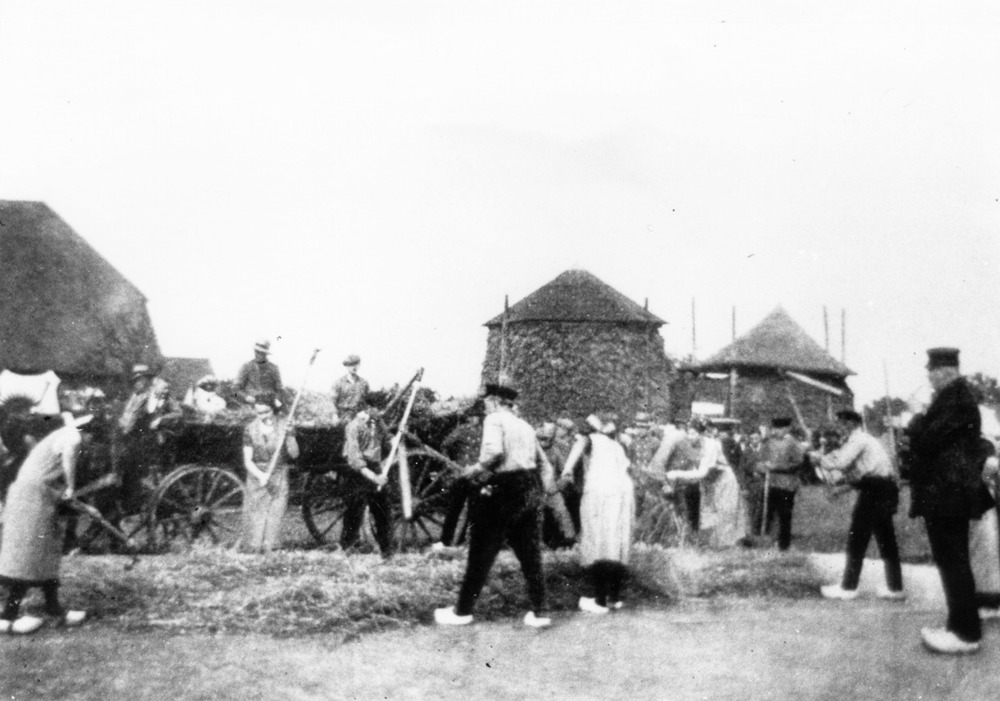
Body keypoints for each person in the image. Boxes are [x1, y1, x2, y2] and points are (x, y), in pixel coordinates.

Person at [434, 383, 556, 628]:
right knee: (530, 554)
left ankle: (462, 611)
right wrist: (540, 492)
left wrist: (475, 470)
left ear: (495, 401)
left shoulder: (494, 420)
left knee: (481, 551)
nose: (485, 407)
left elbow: (494, 453)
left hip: (503, 489)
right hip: (528, 487)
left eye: (487, 402)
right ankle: (541, 611)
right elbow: (545, 465)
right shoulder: (525, 425)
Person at [904, 347, 988, 654]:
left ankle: (965, 633)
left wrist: (916, 417)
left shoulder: (956, 400)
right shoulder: (954, 398)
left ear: (946, 371)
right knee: (952, 561)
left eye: (932, 371)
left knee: (953, 562)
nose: (929, 376)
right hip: (947, 492)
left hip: (948, 493)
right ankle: (957, 626)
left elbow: (927, 441)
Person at [0, 411, 92, 634]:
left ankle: (54, 609)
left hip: (32, 494)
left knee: (46, 555)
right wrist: (71, 487)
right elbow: (68, 458)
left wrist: (68, 495)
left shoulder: (54, 440)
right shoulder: (72, 435)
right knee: (30, 558)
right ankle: (8, 615)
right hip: (34, 497)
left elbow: (49, 474)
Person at [812, 410, 905, 601]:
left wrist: (819, 459)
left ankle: (848, 587)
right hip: (882, 489)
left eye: (841, 423)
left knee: (858, 538)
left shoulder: (858, 440)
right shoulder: (864, 440)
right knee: (886, 540)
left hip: (875, 491)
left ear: (851, 424)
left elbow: (841, 461)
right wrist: (840, 489)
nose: (839, 427)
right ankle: (895, 588)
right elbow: (859, 473)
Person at [561, 414, 635, 613]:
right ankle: (614, 598)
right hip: (623, 493)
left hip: (600, 493)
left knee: (598, 541)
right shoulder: (616, 445)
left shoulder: (589, 440)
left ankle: (600, 601)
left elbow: (574, 456)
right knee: (615, 542)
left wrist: (566, 471)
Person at [666, 417, 743, 548]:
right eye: (688, 433)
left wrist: (677, 474)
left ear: (701, 433)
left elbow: (702, 472)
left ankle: (725, 547)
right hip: (708, 483)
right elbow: (693, 469)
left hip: (723, 480)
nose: (690, 437)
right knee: (707, 514)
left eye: (693, 433)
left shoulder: (711, 445)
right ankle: (708, 545)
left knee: (725, 513)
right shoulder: (691, 445)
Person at [117, 365, 182, 513]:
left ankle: (142, 501)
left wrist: (161, 419)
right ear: (155, 385)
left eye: (167, 389)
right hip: (138, 439)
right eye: (164, 388)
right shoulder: (142, 397)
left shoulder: (168, 399)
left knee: (139, 468)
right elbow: (130, 415)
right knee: (129, 466)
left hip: (156, 440)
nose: (166, 391)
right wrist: (125, 428)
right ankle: (129, 502)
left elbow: (178, 413)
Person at [239, 398, 299, 553]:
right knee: (256, 514)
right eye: (259, 413)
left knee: (275, 513)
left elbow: (294, 454)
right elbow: (247, 461)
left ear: (274, 410)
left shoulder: (284, 425)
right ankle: (253, 549)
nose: (263, 416)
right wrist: (260, 475)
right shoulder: (250, 429)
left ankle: (270, 549)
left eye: (267, 412)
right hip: (256, 476)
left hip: (278, 475)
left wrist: (291, 435)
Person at [339, 397, 394, 557]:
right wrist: (374, 478)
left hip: (374, 466)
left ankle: (386, 550)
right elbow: (355, 459)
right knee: (354, 510)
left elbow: (388, 438)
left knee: (382, 511)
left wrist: (397, 437)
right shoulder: (353, 426)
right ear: (368, 408)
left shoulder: (377, 422)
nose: (380, 413)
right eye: (378, 409)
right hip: (357, 472)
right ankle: (347, 548)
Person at [434, 404, 484, 548]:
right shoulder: (461, 430)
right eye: (471, 416)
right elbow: (445, 445)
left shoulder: (484, 432)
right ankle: (445, 540)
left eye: (476, 417)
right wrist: (450, 463)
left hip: (477, 474)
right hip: (461, 474)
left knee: (474, 510)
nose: (473, 419)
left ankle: (465, 541)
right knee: (454, 508)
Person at [758, 417, 804, 551]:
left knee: (784, 515)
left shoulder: (793, 443)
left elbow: (798, 464)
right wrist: (761, 467)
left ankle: (784, 545)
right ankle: (766, 541)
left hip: (786, 485)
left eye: (779, 429)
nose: (776, 431)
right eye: (774, 429)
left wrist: (777, 467)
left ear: (787, 429)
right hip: (770, 483)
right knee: (766, 513)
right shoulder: (768, 442)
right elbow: (762, 458)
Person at [647, 419, 701, 531]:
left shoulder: (683, 439)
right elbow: (658, 463)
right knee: (667, 515)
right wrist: (665, 483)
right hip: (669, 483)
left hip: (681, 483)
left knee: (680, 515)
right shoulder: (677, 438)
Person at [535, 422, 577, 547]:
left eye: (548, 437)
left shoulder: (555, 451)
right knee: (535, 515)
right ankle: (536, 542)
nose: (545, 441)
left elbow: (565, 472)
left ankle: (570, 539)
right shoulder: (531, 450)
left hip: (551, 488)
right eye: (542, 438)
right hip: (535, 488)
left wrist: (558, 486)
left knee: (562, 512)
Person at [234, 339, 283, 408]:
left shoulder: (273, 368)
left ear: (266, 354)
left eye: (261, 353)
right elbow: (236, 389)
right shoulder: (246, 366)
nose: (258, 354)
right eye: (256, 351)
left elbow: (279, 389)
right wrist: (246, 397)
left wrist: (277, 399)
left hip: (269, 405)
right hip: (250, 405)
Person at [738, 431, 766, 536]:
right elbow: (741, 470)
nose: (754, 441)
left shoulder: (765, 451)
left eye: (756, 438)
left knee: (763, 508)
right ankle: (753, 532)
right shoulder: (746, 452)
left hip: (764, 483)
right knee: (752, 509)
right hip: (751, 484)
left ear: (760, 438)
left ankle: (763, 531)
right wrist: (744, 486)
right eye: (752, 438)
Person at [332, 354, 370, 421]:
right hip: (343, 415)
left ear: (359, 365)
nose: (354, 367)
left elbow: (367, 401)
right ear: (347, 366)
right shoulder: (339, 383)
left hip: (359, 415)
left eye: (356, 364)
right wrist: (334, 415)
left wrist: (366, 412)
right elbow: (332, 401)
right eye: (351, 365)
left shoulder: (363, 383)